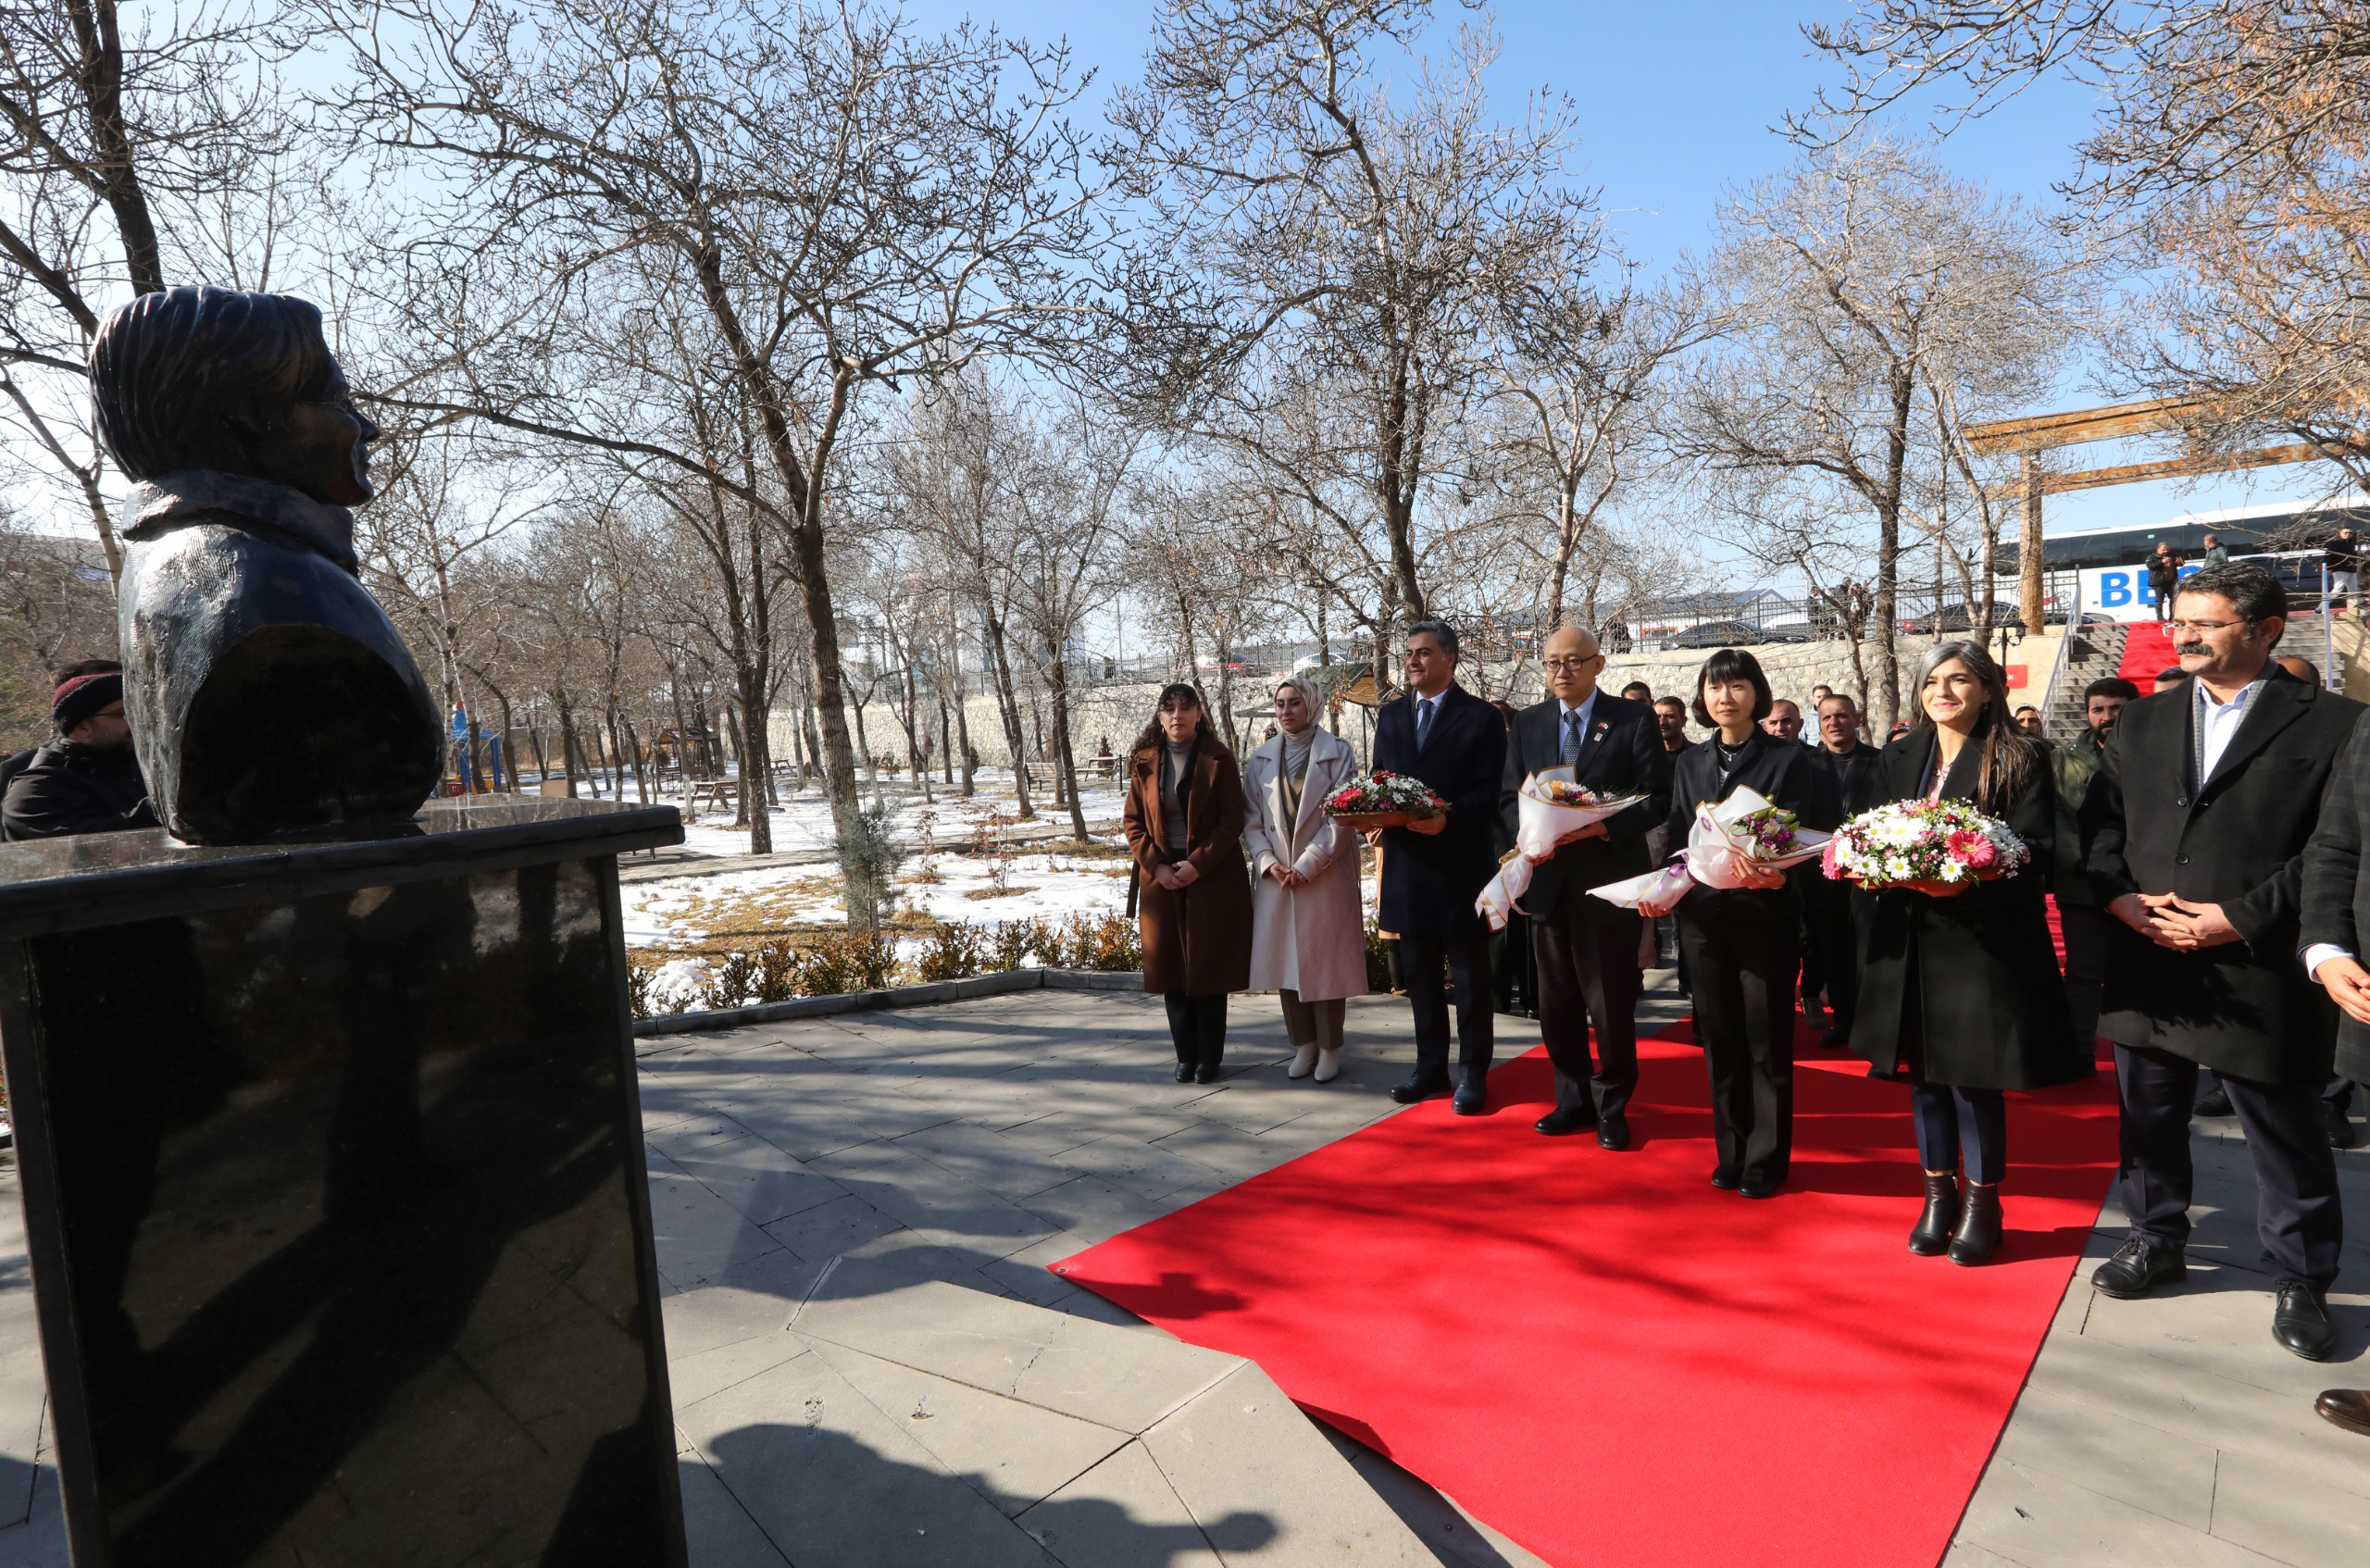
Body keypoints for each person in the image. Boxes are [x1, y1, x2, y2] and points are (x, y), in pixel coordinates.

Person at [2082, 560, 2364, 1360]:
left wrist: (2238, 919)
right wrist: (2120, 899)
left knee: (2283, 1133)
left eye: (2207, 623)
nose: (2186, 634)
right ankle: (2156, 1234)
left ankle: (2304, 1275)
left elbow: (2332, 847)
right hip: (2148, 956)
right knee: (2150, 1119)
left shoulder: (2332, 722)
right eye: (2181, 620)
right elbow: (2099, 827)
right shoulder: (2140, 721)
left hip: (2258, 963)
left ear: (2268, 630)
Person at [1846, 641, 2088, 1263]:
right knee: (1923, 1079)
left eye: (1959, 680)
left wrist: (1969, 871)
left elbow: (2037, 846)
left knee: (1974, 1083)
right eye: (1932, 682)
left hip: (1982, 942)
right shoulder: (1898, 754)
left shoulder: (2022, 755)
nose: (1943, 692)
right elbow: (1868, 830)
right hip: (1907, 940)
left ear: (1987, 689)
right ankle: (1936, 1195)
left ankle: (1984, 1202)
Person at [1639, 649, 1840, 1198]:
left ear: (1757, 692)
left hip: (1765, 916)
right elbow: (1679, 839)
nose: (1724, 697)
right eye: (1714, 688)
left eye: (1736, 687)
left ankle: (1767, 1158)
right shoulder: (1689, 763)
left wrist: (1782, 878)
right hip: (1703, 920)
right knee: (1720, 1040)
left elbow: (1815, 833)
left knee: (1767, 1042)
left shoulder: (1789, 758)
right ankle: (1731, 1150)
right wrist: (1661, 892)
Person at [1499, 626, 1672, 1146]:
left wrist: (1601, 825)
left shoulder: (1630, 718)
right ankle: (1571, 1098)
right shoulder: (1528, 723)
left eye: (1573, 661)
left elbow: (1656, 797)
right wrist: (1530, 837)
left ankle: (1612, 1104)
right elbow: (1509, 797)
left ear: (1598, 665)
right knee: (1556, 1003)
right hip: (1548, 881)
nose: (1561, 671)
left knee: (1610, 1003)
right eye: (1552, 661)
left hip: (1607, 880)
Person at [1372, 621, 1506, 1113]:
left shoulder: (1480, 718)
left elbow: (1490, 791)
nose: (1412, 661)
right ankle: (1430, 1068)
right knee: (1420, 978)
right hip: (1407, 865)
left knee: (1469, 978)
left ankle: (1474, 1073)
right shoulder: (1389, 717)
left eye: (1423, 653)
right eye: (1408, 652)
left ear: (1450, 658)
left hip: (1460, 865)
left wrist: (1446, 819)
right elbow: (1380, 781)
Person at [1123, 684, 1254, 1086]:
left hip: (1210, 877)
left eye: (1185, 708)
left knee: (1209, 970)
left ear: (1199, 714)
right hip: (1161, 879)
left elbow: (1233, 819)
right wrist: (1158, 868)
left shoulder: (1219, 757)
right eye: (1169, 709)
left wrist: (1196, 865)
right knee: (1172, 971)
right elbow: (1133, 823)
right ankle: (1185, 1056)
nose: (1177, 715)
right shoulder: (1144, 761)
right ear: (1159, 717)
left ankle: (1209, 1058)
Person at [1242, 675, 1367, 1082]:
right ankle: (1303, 1044)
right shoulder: (1261, 758)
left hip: (1323, 877)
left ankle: (1330, 1048)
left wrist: (1309, 864)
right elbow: (1252, 820)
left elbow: (1342, 817)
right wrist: (1267, 861)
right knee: (1286, 962)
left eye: (1293, 703)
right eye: (1279, 704)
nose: (1285, 711)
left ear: (1311, 705)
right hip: (1278, 877)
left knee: (1326, 964)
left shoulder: (1339, 753)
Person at [2052, 678, 2139, 1038]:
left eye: (2116, 708)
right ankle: (2080, 1051)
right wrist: (2087, 865)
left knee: (2140, 973)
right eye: (2098, 709)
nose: (2107, 716)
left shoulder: (2160, 753)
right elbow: (2057, 817)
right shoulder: (2062, 760)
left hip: (2142, 886)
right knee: (2084, 973)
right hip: (2081, 887)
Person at [2, 662, 160, 841]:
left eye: (140, 712)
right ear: (82, 728)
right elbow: (100, 847)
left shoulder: (142, 765)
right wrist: (180, 803)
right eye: (123, 714)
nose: (138, 722)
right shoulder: (37, 790)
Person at [1803, 692, 1878, 1045]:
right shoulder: (1804, 765)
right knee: (1832, 951)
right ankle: (1844, 1020)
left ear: (1857, 719)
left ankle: (1874, 1023)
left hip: (1870, 876)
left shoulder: (1881, 762)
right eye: (1827, 718)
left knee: (1870, 952)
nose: (1834, 722)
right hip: (1821, 878)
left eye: (1842, 716)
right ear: (1818, 726)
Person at [2326, 525, 2363, 614]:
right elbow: (2328, 556)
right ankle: (2320, 608)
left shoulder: (2351, 544)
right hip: (2340, 570)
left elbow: (2353, 557)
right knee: (2337, 590)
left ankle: (2353, 611)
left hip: (2351, 570)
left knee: (2354, 591)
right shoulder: (2335, 543)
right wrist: (2329, 568)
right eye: (2346, 532)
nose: (2348, 534)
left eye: (2350, 533)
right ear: (2340, 533)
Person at [2145, 542, 2185, 624]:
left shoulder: (2172, 555)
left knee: (2173, 599)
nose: (2165, 551)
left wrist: (2179, 562)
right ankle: (2160, 617)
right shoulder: (2152, 557)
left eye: (2167, 549)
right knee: (2160, 600)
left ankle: (2172, 616)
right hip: (2159, 582)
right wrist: (2161, 562)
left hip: (2171, 581)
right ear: (2158, 549)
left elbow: (2182, 564)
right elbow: (2150, 566)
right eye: (2163, 550)